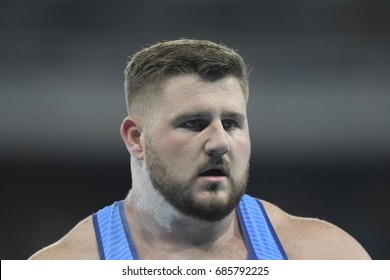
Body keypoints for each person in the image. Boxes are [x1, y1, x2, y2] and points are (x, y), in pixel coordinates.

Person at [29, 39, 371, 260]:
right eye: (194, 123)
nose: (219, 142)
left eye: (232, 123)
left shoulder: (325, 257)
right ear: (135, 138)